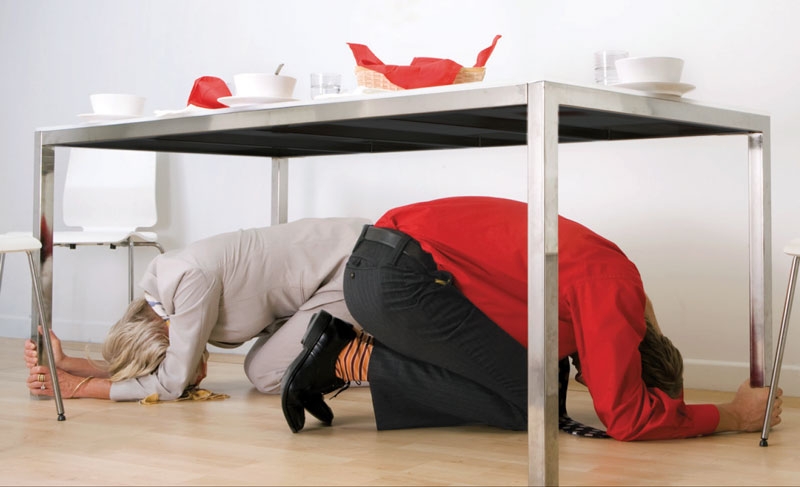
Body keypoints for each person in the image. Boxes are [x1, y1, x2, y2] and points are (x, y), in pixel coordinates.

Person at [280, 196, 784, 441]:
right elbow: (627, 419)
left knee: (531, 385)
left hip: (379, 268)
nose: (591, 379)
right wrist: (733, 417)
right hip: (400, 279)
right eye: (602, 374)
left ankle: (351, 354)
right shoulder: (614, 288)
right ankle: (348, 357)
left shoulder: (600, 278)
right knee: (532, 405)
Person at [25, 217, 370, 402]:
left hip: (352, 265)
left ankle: (384, 366)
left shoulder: (187, 281)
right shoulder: (167, 294)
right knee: (261, 367)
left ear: (167, 336)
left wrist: (80, 388)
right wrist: (68, 364)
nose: (194, 376)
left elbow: (171, 384)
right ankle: (371, 347)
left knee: (267, 373)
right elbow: (167, 375)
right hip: (338, 270)